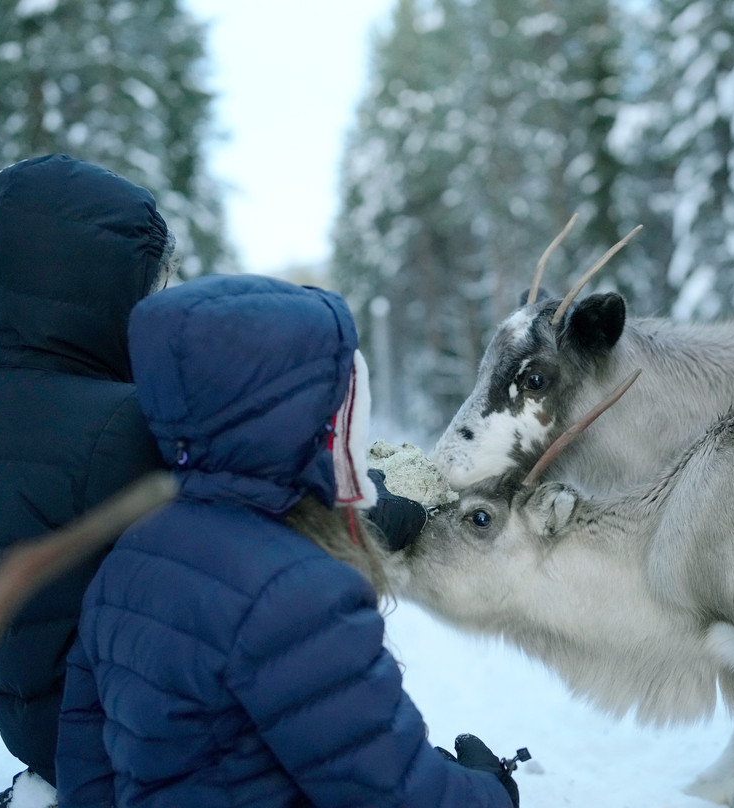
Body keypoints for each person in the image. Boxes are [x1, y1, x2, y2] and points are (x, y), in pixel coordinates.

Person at [55, 274, 519, 807]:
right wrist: (491, 791)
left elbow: (84, 766)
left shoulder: (131, 558)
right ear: (302, 420)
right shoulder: (298, 592)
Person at [0, 154, 177, 802]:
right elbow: (255, 543)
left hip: (37, 741)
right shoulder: (126, 425)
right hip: (136, 751)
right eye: (153, 281)